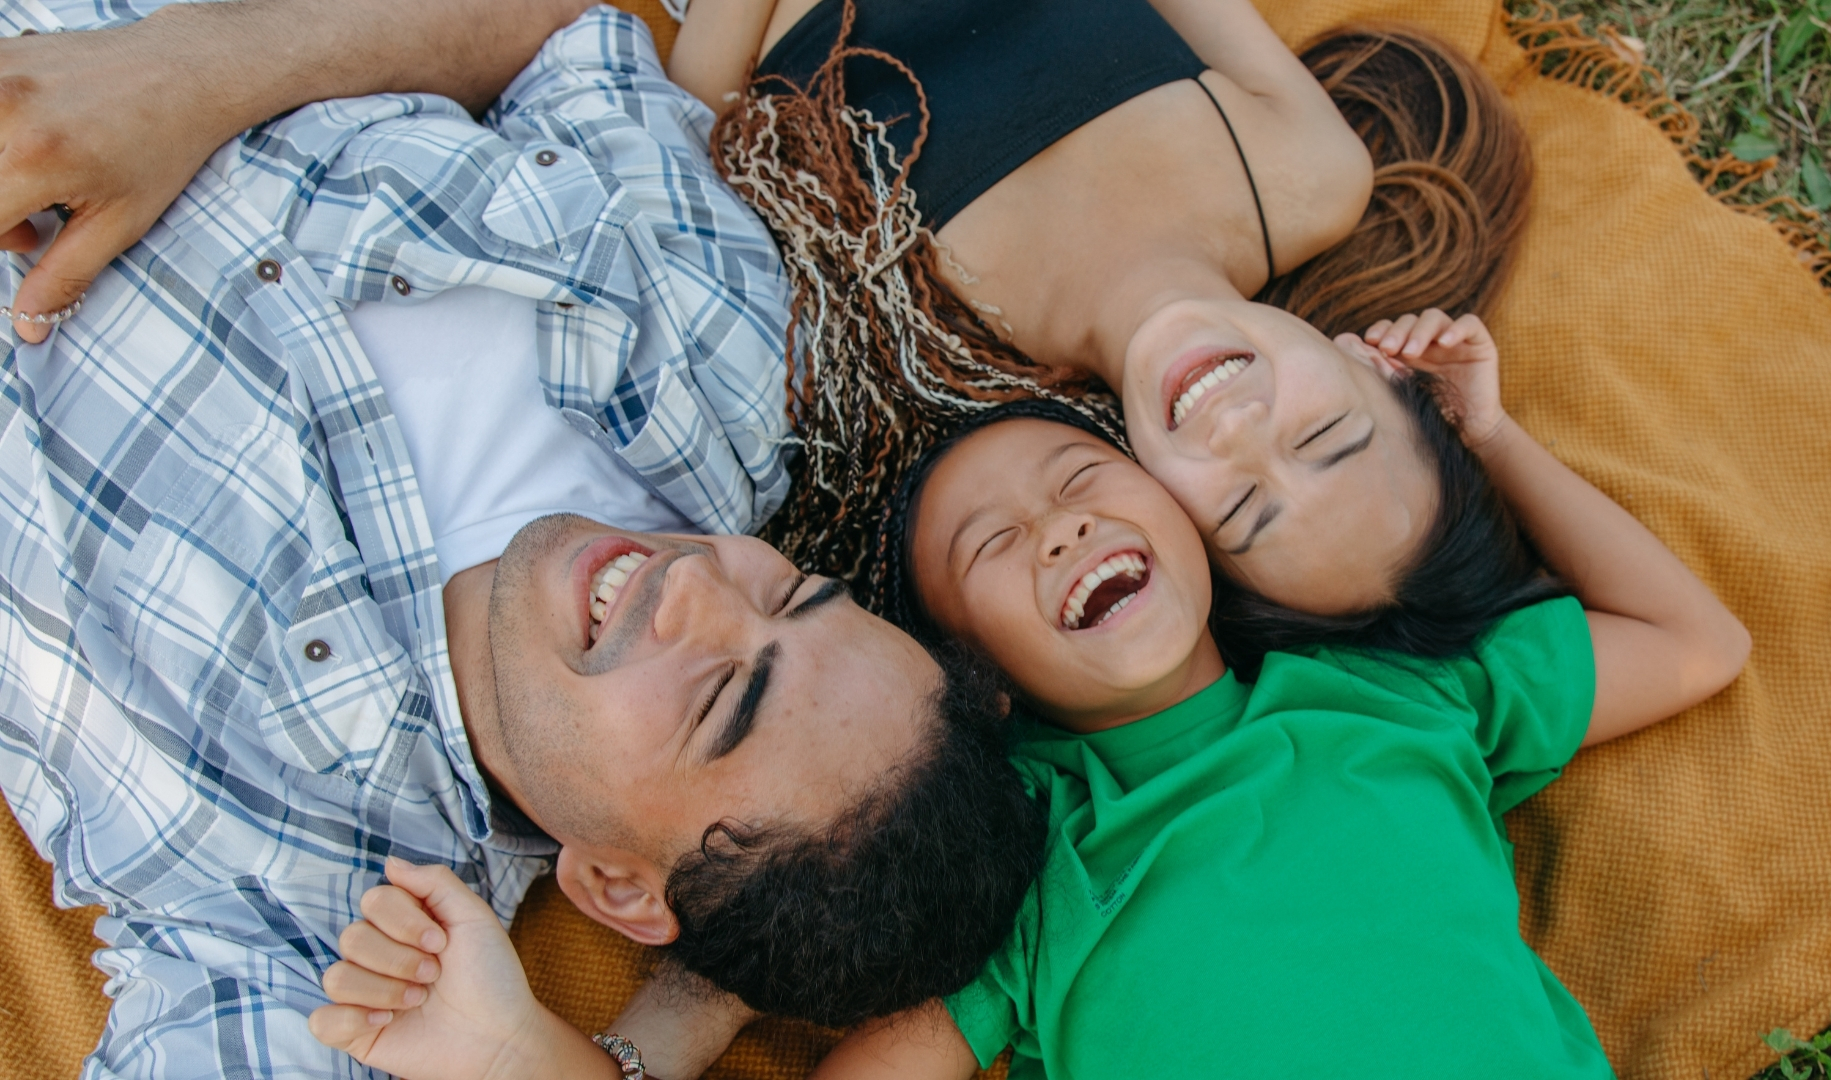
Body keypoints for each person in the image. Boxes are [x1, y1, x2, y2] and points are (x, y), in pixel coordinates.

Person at [0, 5, 1044, 1077]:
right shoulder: (720, 367)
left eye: (719, 702)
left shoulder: (307, 903)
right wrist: (181, 79)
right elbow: (555, 24)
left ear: (619, 889)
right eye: (794, 596)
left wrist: (530, 1061)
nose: (697, 582)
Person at [308, 311, 1752, 1078]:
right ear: (974, 685)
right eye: (990, 548)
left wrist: (1489, 438)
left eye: (1081, 481)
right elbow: (786, 930)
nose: (1058, 527)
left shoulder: (1393, 699)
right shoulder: (1023, 873)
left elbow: (1697, 643)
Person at [681, 0, 1533, 615]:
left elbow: (701, 118)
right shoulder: (1309, 177)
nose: (1240, 433)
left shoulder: (946, 350)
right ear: (1376, 363)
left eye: (1239, 510)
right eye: (1320, 437)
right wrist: (1490, 433)